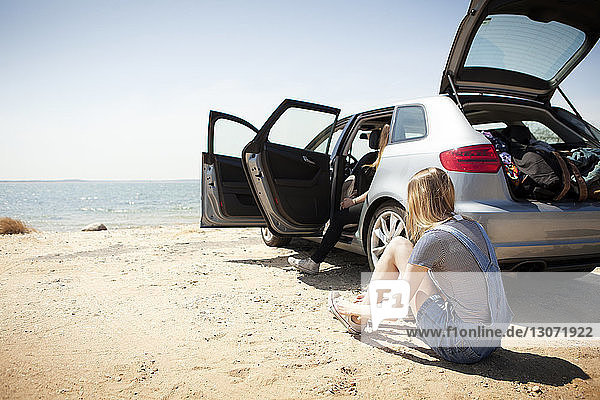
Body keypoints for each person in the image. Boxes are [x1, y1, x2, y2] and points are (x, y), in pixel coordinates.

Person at [329, 167, 513, 364]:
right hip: (491, 339)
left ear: (417, 200)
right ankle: (367, 303)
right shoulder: (473, 226)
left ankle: (356, 319)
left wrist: (348, 307)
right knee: (403, 249)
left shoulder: (433, 239)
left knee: (398, 245)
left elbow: (394, 312)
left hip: (462, 347)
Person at [288, 124, 390, 274]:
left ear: (382, 138)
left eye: (376, 134)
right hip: (374, 202)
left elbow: (376, 190)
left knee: (338, 218)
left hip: (373, 203)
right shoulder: (376, 158)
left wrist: (353, 201)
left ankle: (314, 262)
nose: (373, 138)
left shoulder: (382, 159)